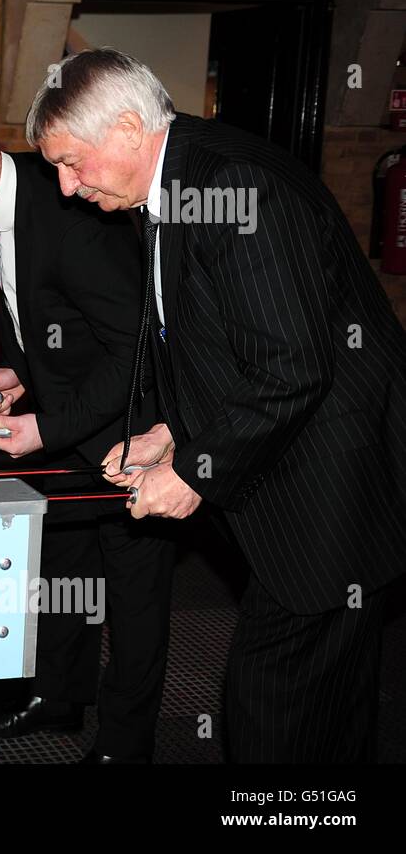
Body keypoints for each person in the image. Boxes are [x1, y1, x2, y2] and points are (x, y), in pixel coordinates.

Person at [28, 47, 406, 762]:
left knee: (271, 704)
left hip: (335, 487)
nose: (69, 188)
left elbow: (290, 367)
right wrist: (172, 431)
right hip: (302, 469)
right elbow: (224, 341)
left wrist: (194, 471)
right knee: (328, 701)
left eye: (73, 163)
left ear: (130, 128)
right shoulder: (169, 182)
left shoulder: (236, 186)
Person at [0, 101, 174, 763]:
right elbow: (49, 321)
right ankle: (57, 696)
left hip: (136, 432)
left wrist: (45, 425)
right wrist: (19, 375)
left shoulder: (70, 215)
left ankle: (126, 745)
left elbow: (133, 350)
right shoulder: (0, 207)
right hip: (66, 422)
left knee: (134, 599)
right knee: (60, 570)